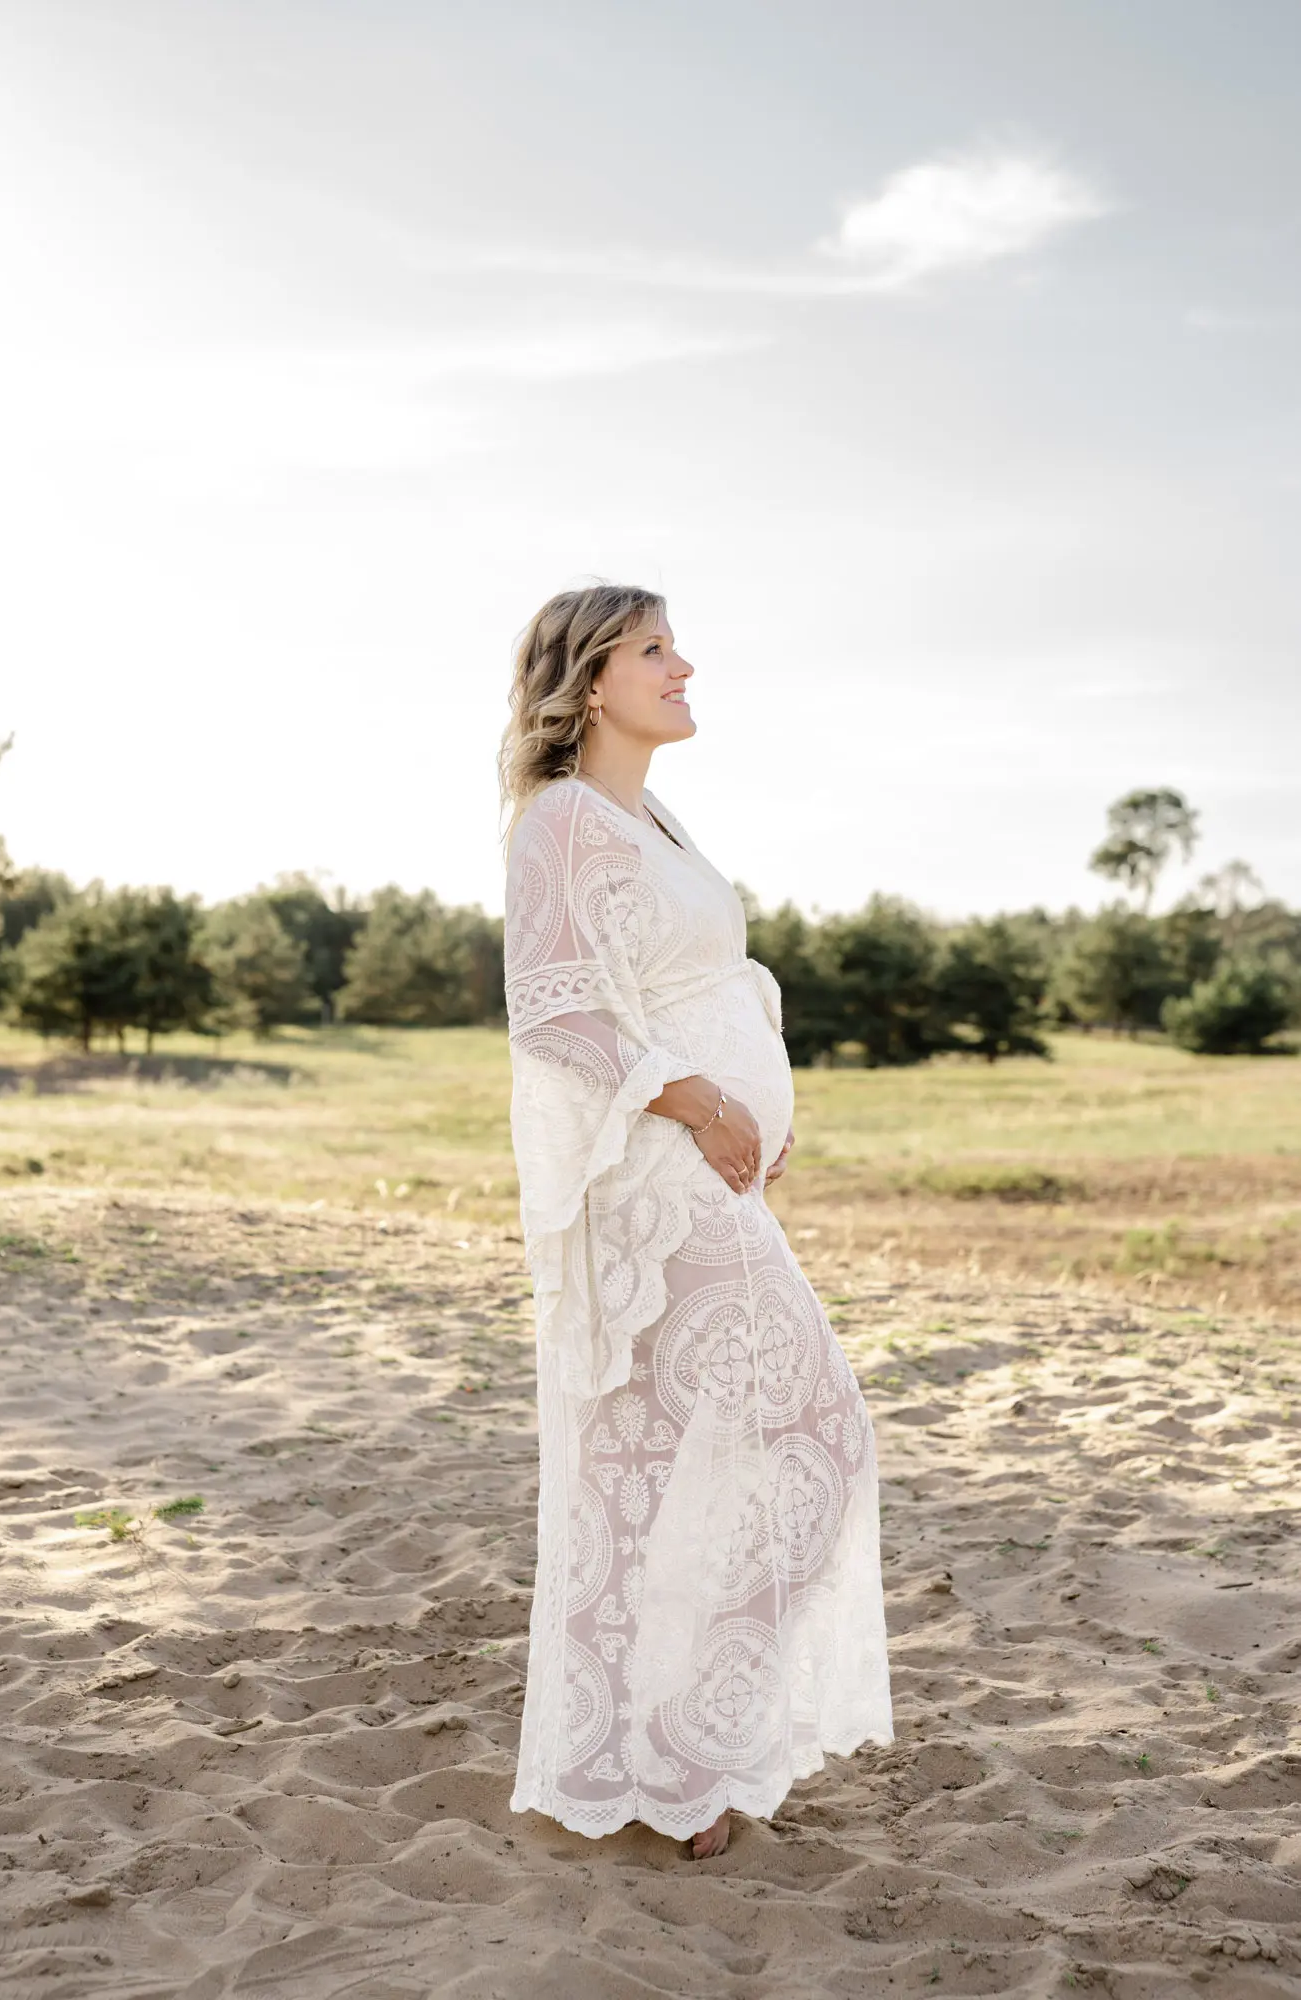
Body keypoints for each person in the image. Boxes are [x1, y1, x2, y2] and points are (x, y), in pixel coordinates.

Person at [498, 583, 892, 1860]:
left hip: (706, 1163)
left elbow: (703, 979)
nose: (682, 666)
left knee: (666, 1458)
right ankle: (683, 1746)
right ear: (589, 681)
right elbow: (554, 1010)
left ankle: (657, 1750)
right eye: (653, 649)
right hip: (654, 1175)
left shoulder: (649, 817)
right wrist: (700, 1096)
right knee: (816, 1426)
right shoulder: (558, 819)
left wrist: (760, 1101)